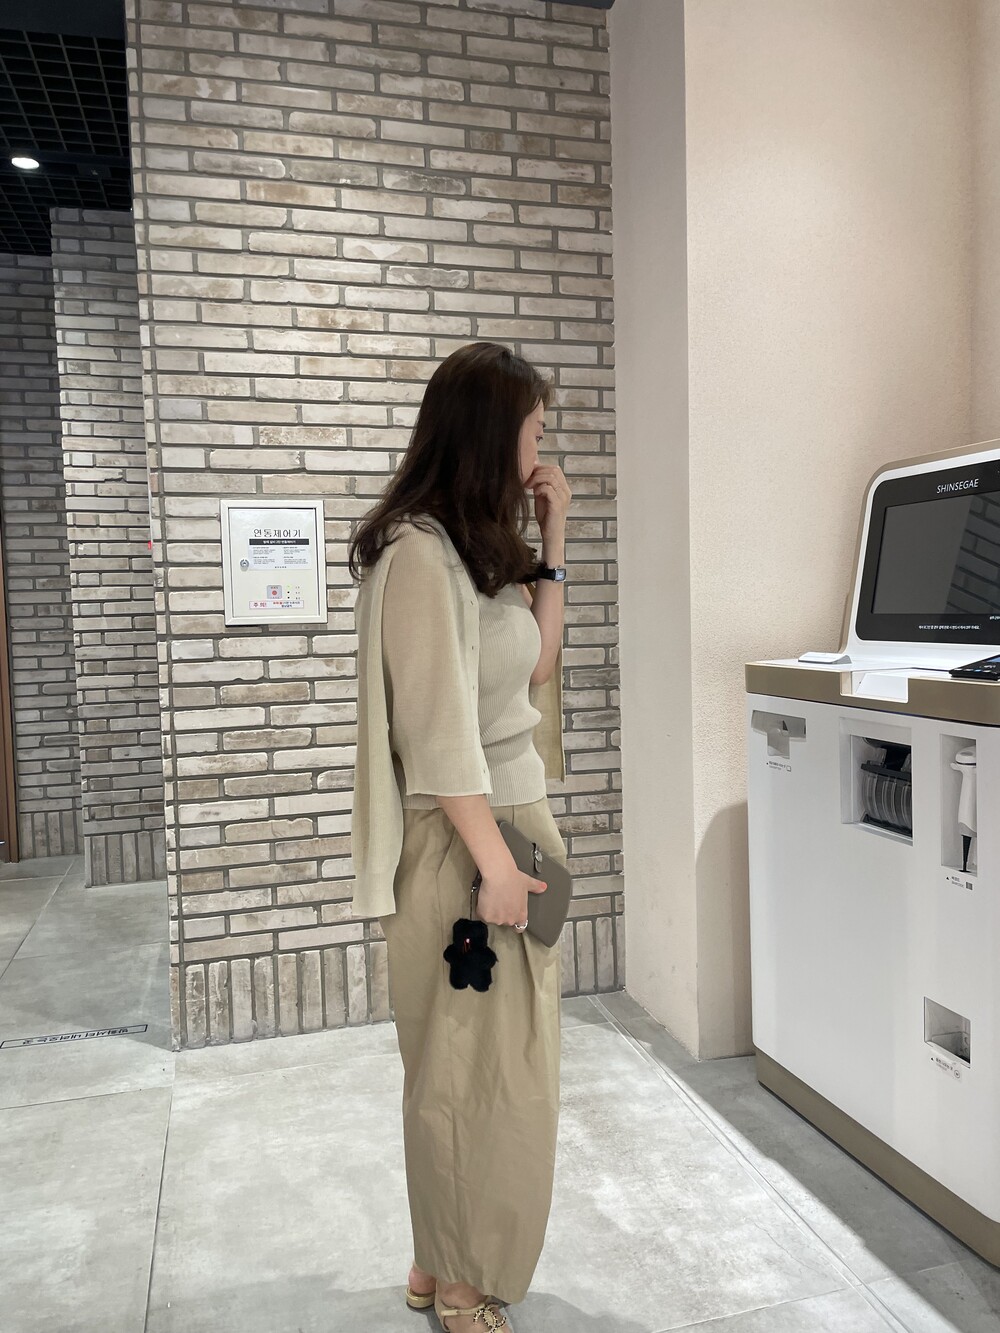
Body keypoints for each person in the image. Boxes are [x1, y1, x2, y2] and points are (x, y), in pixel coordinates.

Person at [348, 342, 573, 1333]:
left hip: (510, 826)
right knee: (470, 1073)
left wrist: (553, 535)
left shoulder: (477, 551)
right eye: (534, 430)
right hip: (465, 842)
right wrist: (492, 865)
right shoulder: (418, 556)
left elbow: (536, 667)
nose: (541, 450)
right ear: (490, 432)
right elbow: (436, 738)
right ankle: (459, 1283)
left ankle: (441, 1252)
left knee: (489, 1066)